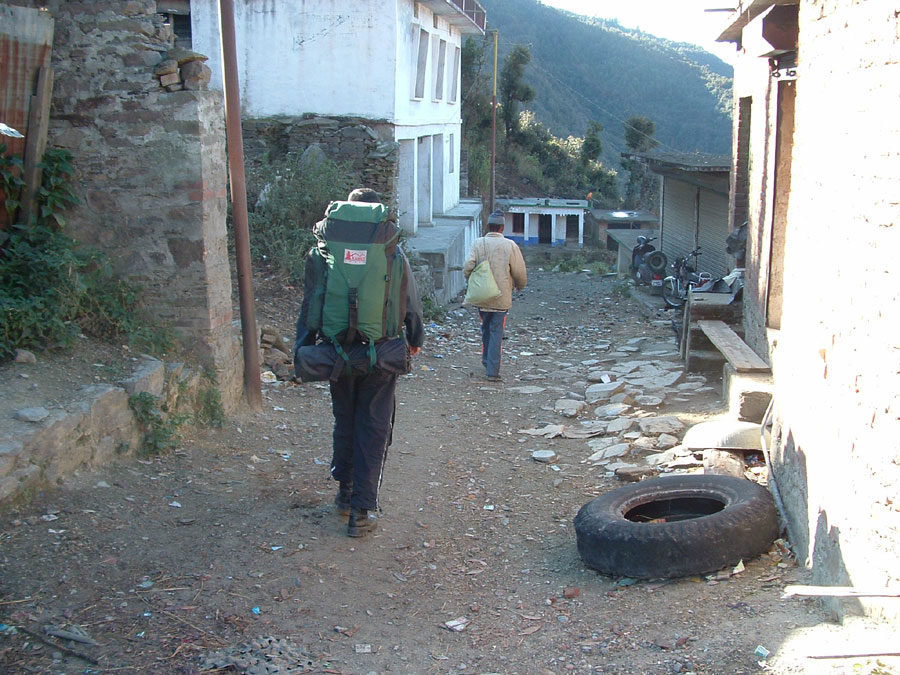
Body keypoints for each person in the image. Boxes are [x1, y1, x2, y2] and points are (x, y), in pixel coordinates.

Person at [295, 188, 424, 537]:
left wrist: (303, 350)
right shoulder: (393, 255)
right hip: (380, 356)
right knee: (373, 427)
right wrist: (414, 342)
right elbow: (411, 305)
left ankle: (344, 493)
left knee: (346, 421)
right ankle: (362, 513)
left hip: (335, 354)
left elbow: (311, 305)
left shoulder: (323, 254)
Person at [463, 209, 527, 382]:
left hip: (482, 296)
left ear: (488, 226)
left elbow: (468, 266)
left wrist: (472, 281)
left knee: (486, 327)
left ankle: (486, 360)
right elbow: (520, 271)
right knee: (497, 330)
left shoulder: (478, 243)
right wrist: (520, 286)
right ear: (502, 228)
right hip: (501, 297)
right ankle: (493, 371)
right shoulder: (510, 245)